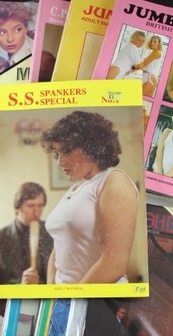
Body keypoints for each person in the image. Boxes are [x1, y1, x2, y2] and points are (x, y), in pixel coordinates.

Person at [40, 111, 139, 284]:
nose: (60, 162)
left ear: (91, 147)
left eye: (67, 151)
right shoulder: (75, 189)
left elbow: (114, 264)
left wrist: (74, 297)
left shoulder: (113, 180)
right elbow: (59, 248)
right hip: (63, 295)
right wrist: (51, 293)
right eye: (57, 153)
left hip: (94, 296)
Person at [0, 182, 53, 285]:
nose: (37, 212)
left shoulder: (51, 232)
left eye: (40, 206)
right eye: (31, 206)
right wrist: (21, 286)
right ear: (18, 207)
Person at [0, 1, 34, 74]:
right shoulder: (21, 48)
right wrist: (8, 64)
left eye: (17, 30)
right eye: (2, 32)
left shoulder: (34, 55)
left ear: (26, 28)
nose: (10, 39)